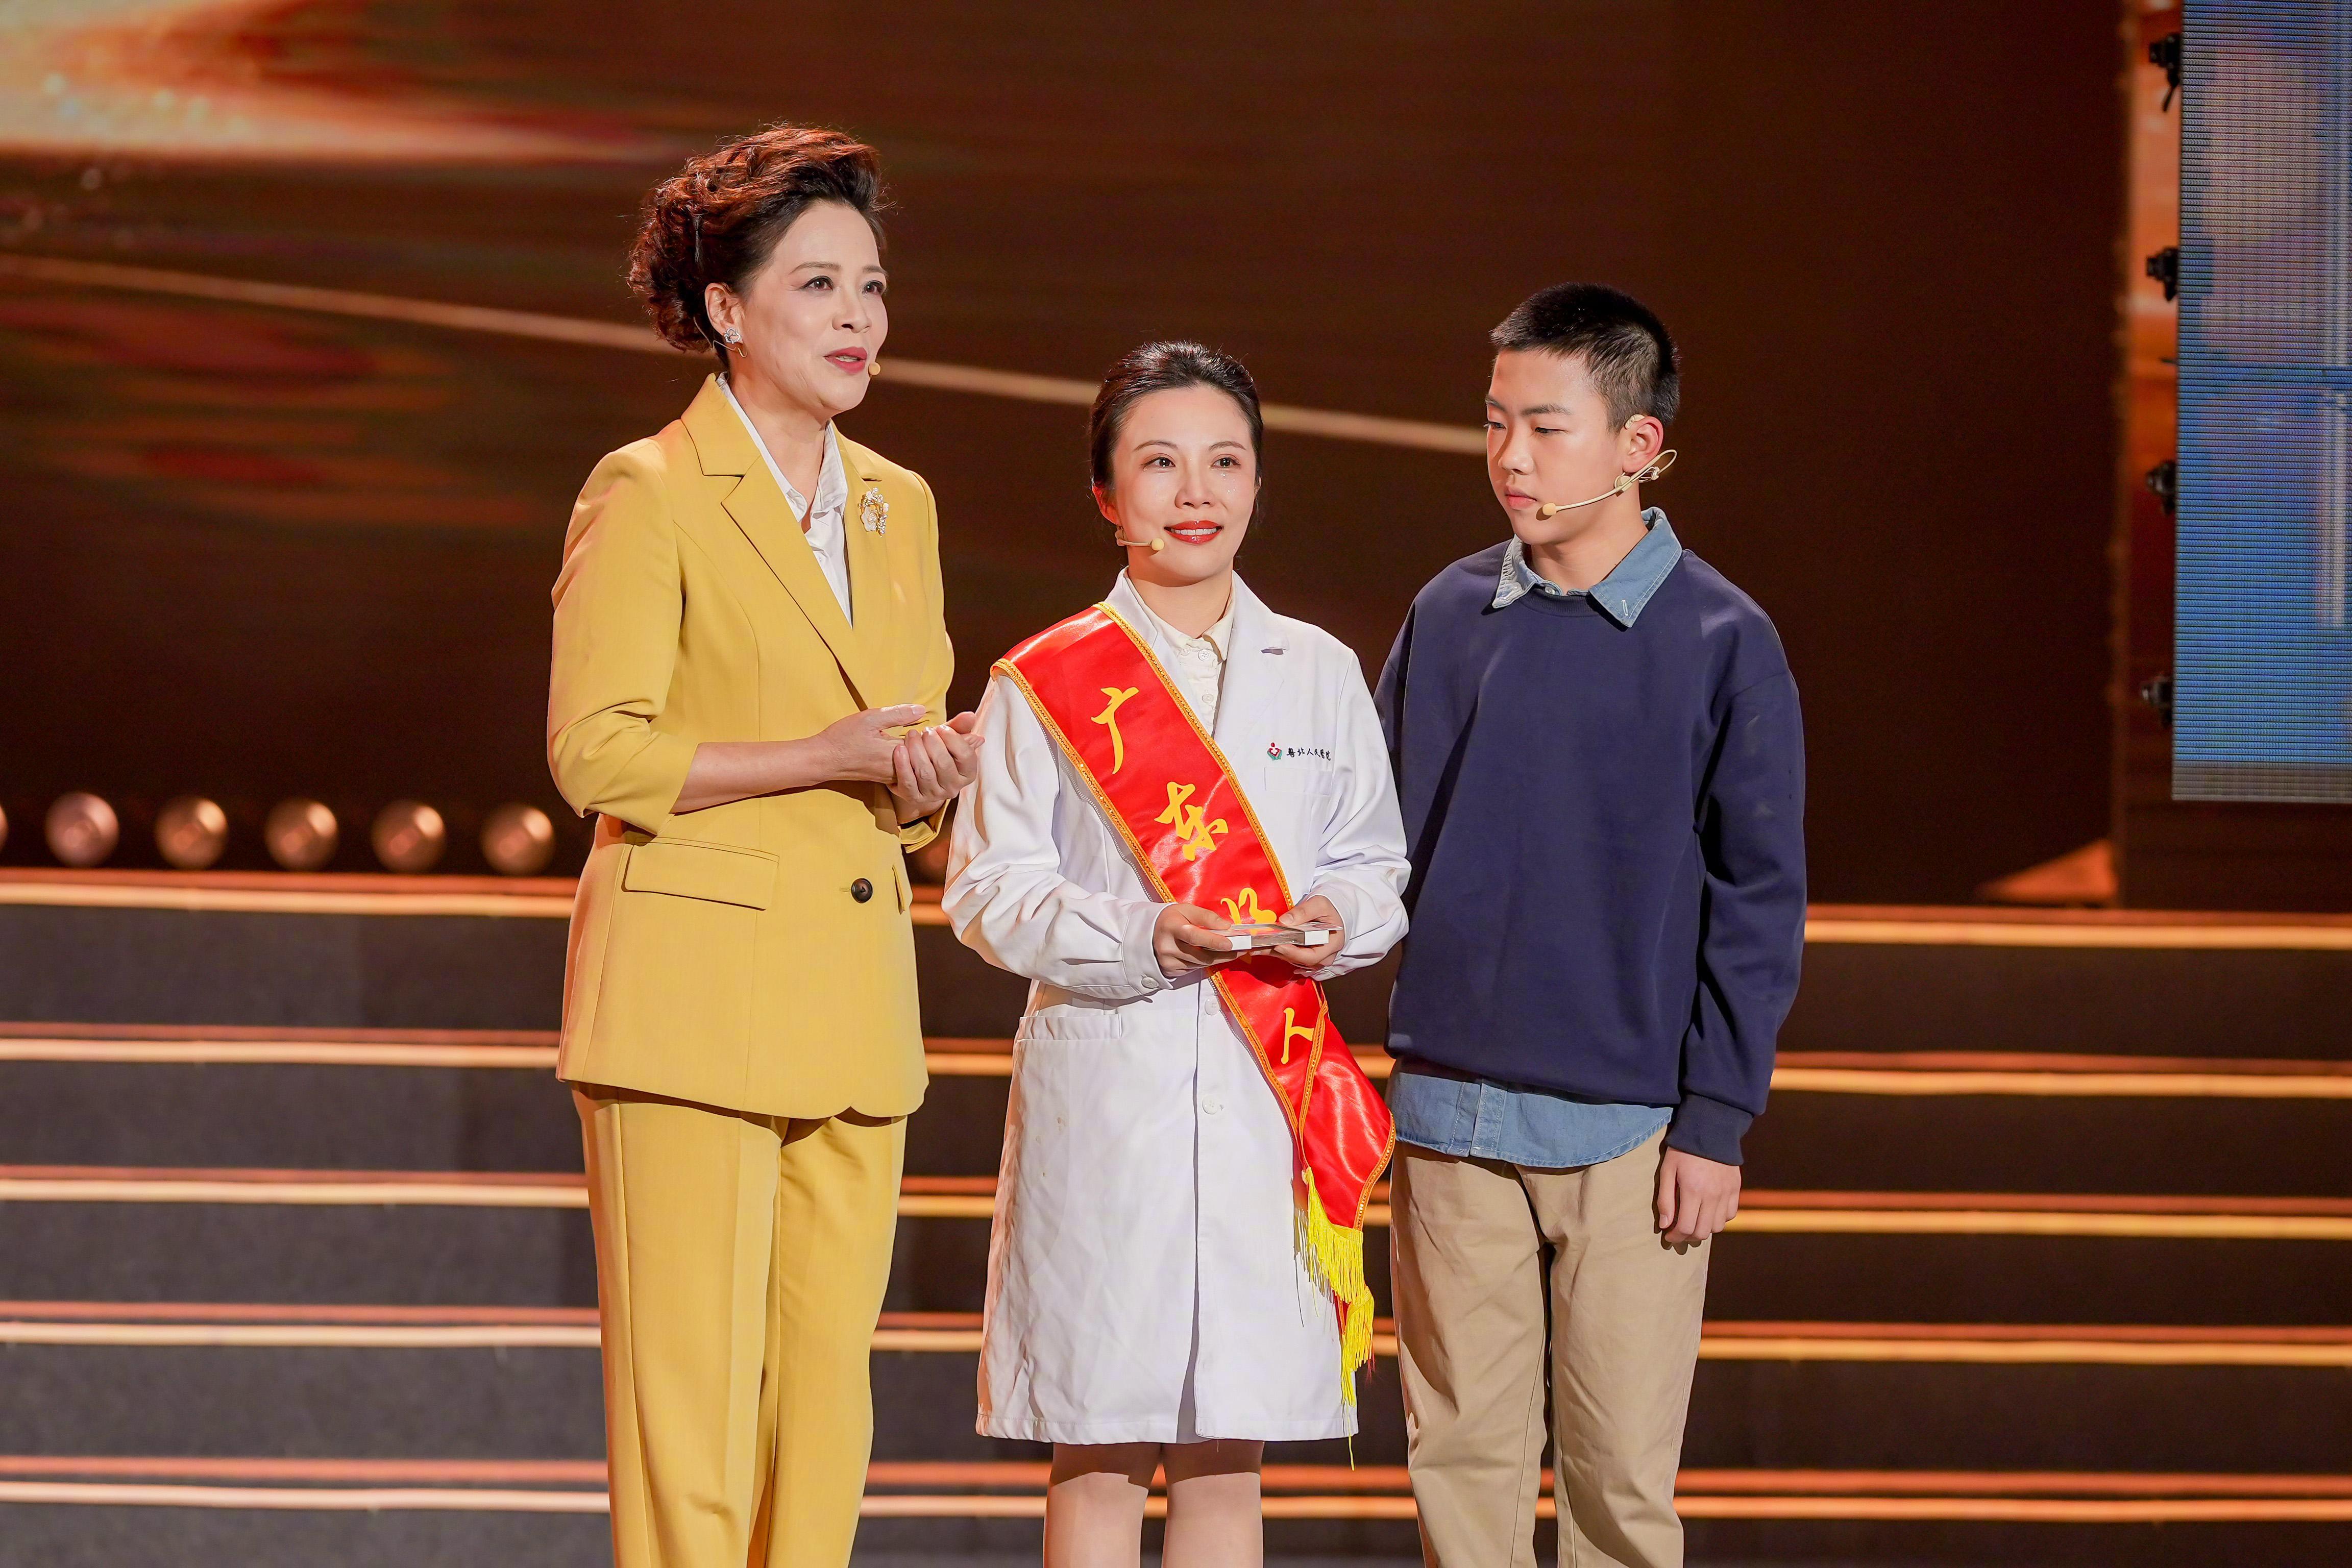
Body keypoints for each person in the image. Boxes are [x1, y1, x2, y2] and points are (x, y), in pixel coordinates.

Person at [545, 126, 981, 1568]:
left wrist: (929, 779)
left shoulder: (902, 504)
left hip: (851, 1006)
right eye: (819, 286)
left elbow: (895, 765)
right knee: (694, 1419)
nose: (860, 319)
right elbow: (596, 750)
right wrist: (822, 756)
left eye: (872, 285)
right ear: (727, 308)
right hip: (689, 1004)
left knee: (823, 1416)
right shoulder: (648, 487)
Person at [944, 342, 1410, 1568]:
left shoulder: (1320, 670)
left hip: (1269, 1083)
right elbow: (989, 891)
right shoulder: (1043, 679)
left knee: (1227, 1451)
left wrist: (1333, 918)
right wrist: (1144, 934)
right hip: (1113, 1086)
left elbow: (1376, 864)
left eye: (1225, 461)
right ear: (1107, 494)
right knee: (1099, 1449)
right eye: (1160, 463)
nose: (1195, 491)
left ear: (1258, 482)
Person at [1376, 283, 1807, 1568]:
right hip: (1451, 1120)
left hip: (1634, 1136)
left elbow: (1760, 900)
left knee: (1619, 1488)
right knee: (1462, 1473)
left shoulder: (1725, 638)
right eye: (1495, 421)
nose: (1510, 456)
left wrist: (1717, 1119)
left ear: (1639, 444)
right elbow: (1373, 841)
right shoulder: (1449, 612)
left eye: (1546, 428)